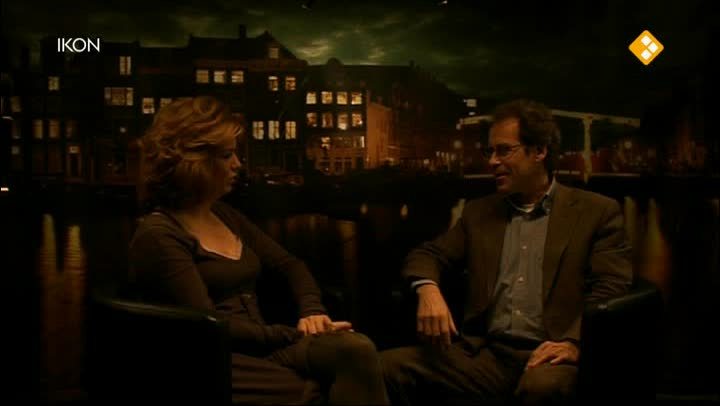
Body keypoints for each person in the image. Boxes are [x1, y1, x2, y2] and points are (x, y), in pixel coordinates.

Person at [129, 96, 389, 405]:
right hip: (217, 362)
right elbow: (209, 325)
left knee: (356, 349)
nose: (238, 164)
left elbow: (290, 265)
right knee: (320, 386)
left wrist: (312, 312)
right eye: (227, 155)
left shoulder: (224, 215)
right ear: (193, 162)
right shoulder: (160, 235)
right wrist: (295, 334)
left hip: (264, 347)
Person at [381, 99, 633, 405]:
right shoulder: (478, 213)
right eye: (490, 151)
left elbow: (610, 289)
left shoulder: (596, 212)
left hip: (551, 354)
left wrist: (574, 343)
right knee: (383, 368)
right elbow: (428, 255)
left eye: (504, 150)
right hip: (485, 355)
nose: (492, 162)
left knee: (542, 388)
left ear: (539, 151)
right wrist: (428, 290)